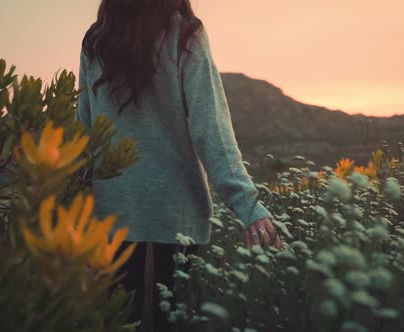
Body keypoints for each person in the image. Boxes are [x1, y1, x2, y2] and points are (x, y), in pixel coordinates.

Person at [75, 1, 284, 331]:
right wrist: (249, 207)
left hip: (110, 222)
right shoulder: (185, 34)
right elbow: (211, 130)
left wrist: (69, 209)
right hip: (176, 221)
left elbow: (83, 133)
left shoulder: (96, 40)